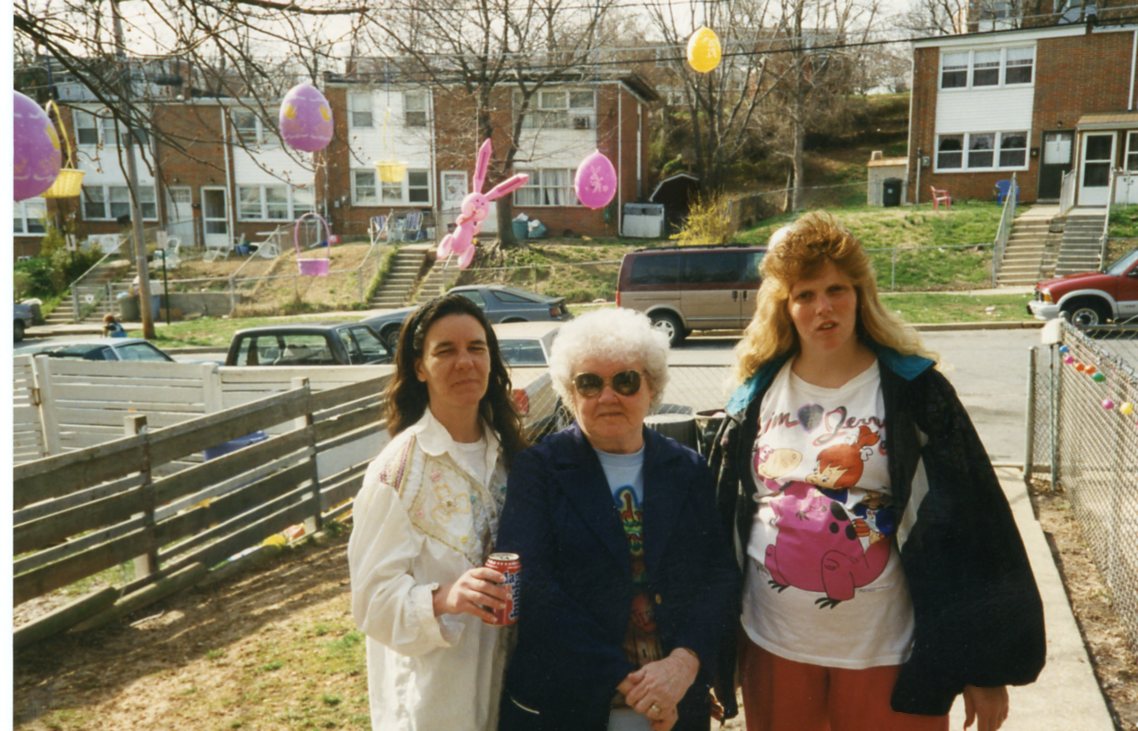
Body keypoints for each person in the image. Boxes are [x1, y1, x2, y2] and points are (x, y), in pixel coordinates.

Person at [709, 212, 1045, 731]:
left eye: (836, 289)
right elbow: (722, 524)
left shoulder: (915, 392)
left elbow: (978, 525)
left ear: (860, 294)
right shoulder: (754, 396)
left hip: (886, 650)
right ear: (785, 307)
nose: (823, 307)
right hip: (774, 645)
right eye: (804, 295)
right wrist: (713, 650)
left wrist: (984, 666)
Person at [496, 308, 740, 731]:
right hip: (573, 703)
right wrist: (630, 683)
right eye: (589, 383)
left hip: (674, 700)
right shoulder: (539, 470)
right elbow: (534, 586)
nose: (607, 396)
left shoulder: (686, 468)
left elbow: (717, 575)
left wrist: (684, 664)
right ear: (570, 393)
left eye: (625, 381)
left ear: (652, 386)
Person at [347, 293, 528, 730]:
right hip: (435, 701)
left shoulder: (510, 457)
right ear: (419, 367)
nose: (464, 362)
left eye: (476, 348)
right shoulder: (397, 473)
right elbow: (371, 603)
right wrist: (445, 598)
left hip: (510, 690)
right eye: (445, 351)